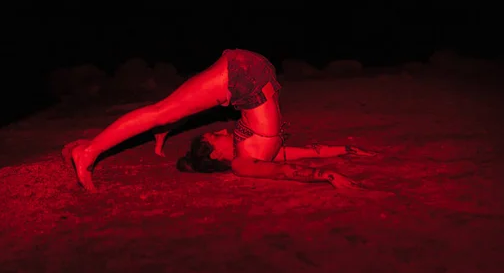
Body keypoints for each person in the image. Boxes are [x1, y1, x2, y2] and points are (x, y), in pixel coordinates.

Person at [68, 49, 372, 192]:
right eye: (216, 136)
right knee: (164, 111)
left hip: (246, 78)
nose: (223, 129)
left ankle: (156, 130)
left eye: (215, 134)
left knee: (168, 110)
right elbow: (289, 166)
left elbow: (289, 164)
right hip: (249, 77)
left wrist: (334, 167)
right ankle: (90, 151)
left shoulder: (245, 159)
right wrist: (338, 161)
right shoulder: (245, 162)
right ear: (215, 153)